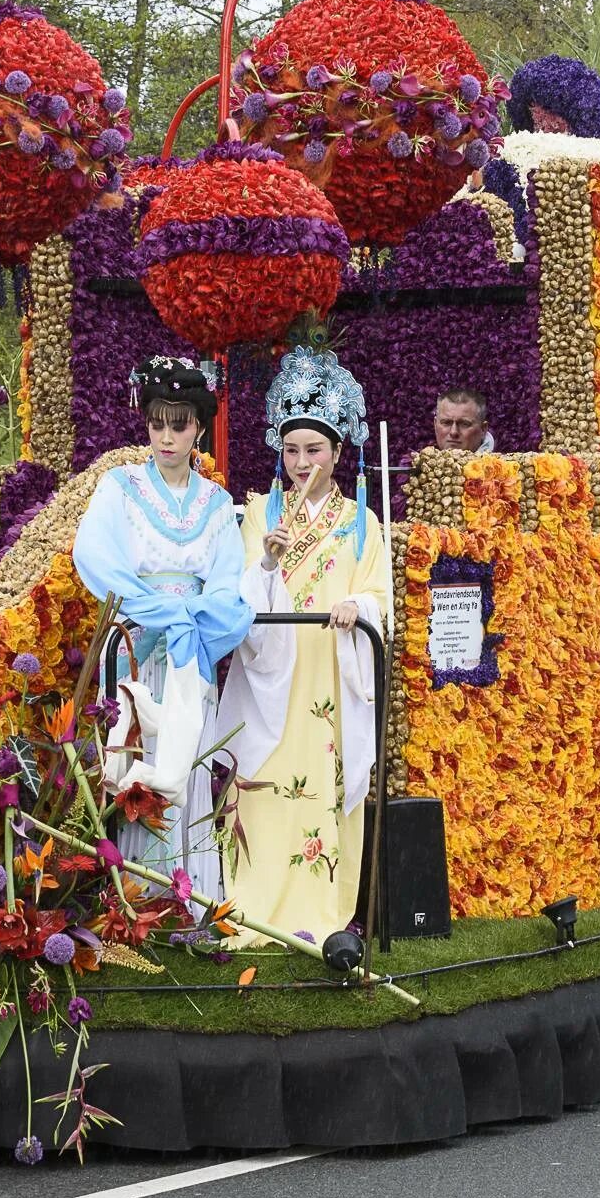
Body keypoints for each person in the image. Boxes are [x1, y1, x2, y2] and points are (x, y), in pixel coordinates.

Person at [215, 345, 391, 945]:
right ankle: (250, 904)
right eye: (291, 450)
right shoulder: (261, 512)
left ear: (339, 452)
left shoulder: (363, 521)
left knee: (319, 782)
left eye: (314, 450)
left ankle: (318, 909)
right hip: (273, 673)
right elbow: (243, 598)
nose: (300, 461)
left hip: (329, 673)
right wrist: (266, 560)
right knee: (264, 785)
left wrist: (358, 606)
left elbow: (379, 593)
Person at [70, 357, 251, 897]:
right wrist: (162, 611)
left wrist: (189, 620)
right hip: (137, 642)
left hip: (189, 649)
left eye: (179, 424)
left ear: (198, 426)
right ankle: (135, 900)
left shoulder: (217, 502)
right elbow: (98, 559)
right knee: (134, 760)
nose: (167, 437)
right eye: (157, 424)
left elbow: (226, 584)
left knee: (183, 764)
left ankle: (188, 896)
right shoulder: (118, 487)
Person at [433, 388, 494, 454]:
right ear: (435, 425)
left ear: (483, 429)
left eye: (464, 424)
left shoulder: (502, 464)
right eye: (446, 423)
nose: (453, 432)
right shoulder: (422, 463)